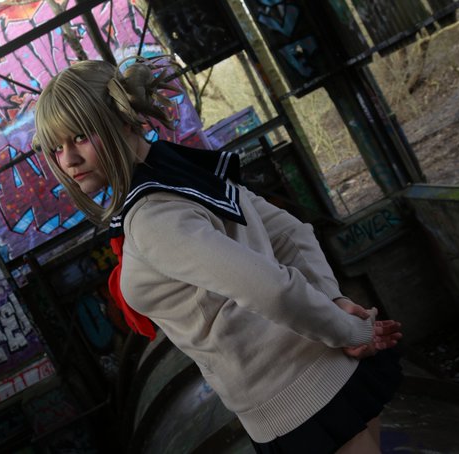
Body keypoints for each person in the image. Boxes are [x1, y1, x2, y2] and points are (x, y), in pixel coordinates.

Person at [33, 57, 403, 454]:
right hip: (327, 372)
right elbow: (290, 234)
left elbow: (270, 288)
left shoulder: (151, 216)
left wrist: (349, 331)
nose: (68, 160)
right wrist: (333, 303)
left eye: (80, 137)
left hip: (294, 398)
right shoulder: (182, 170)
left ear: (123, 119)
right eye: (56, 148)